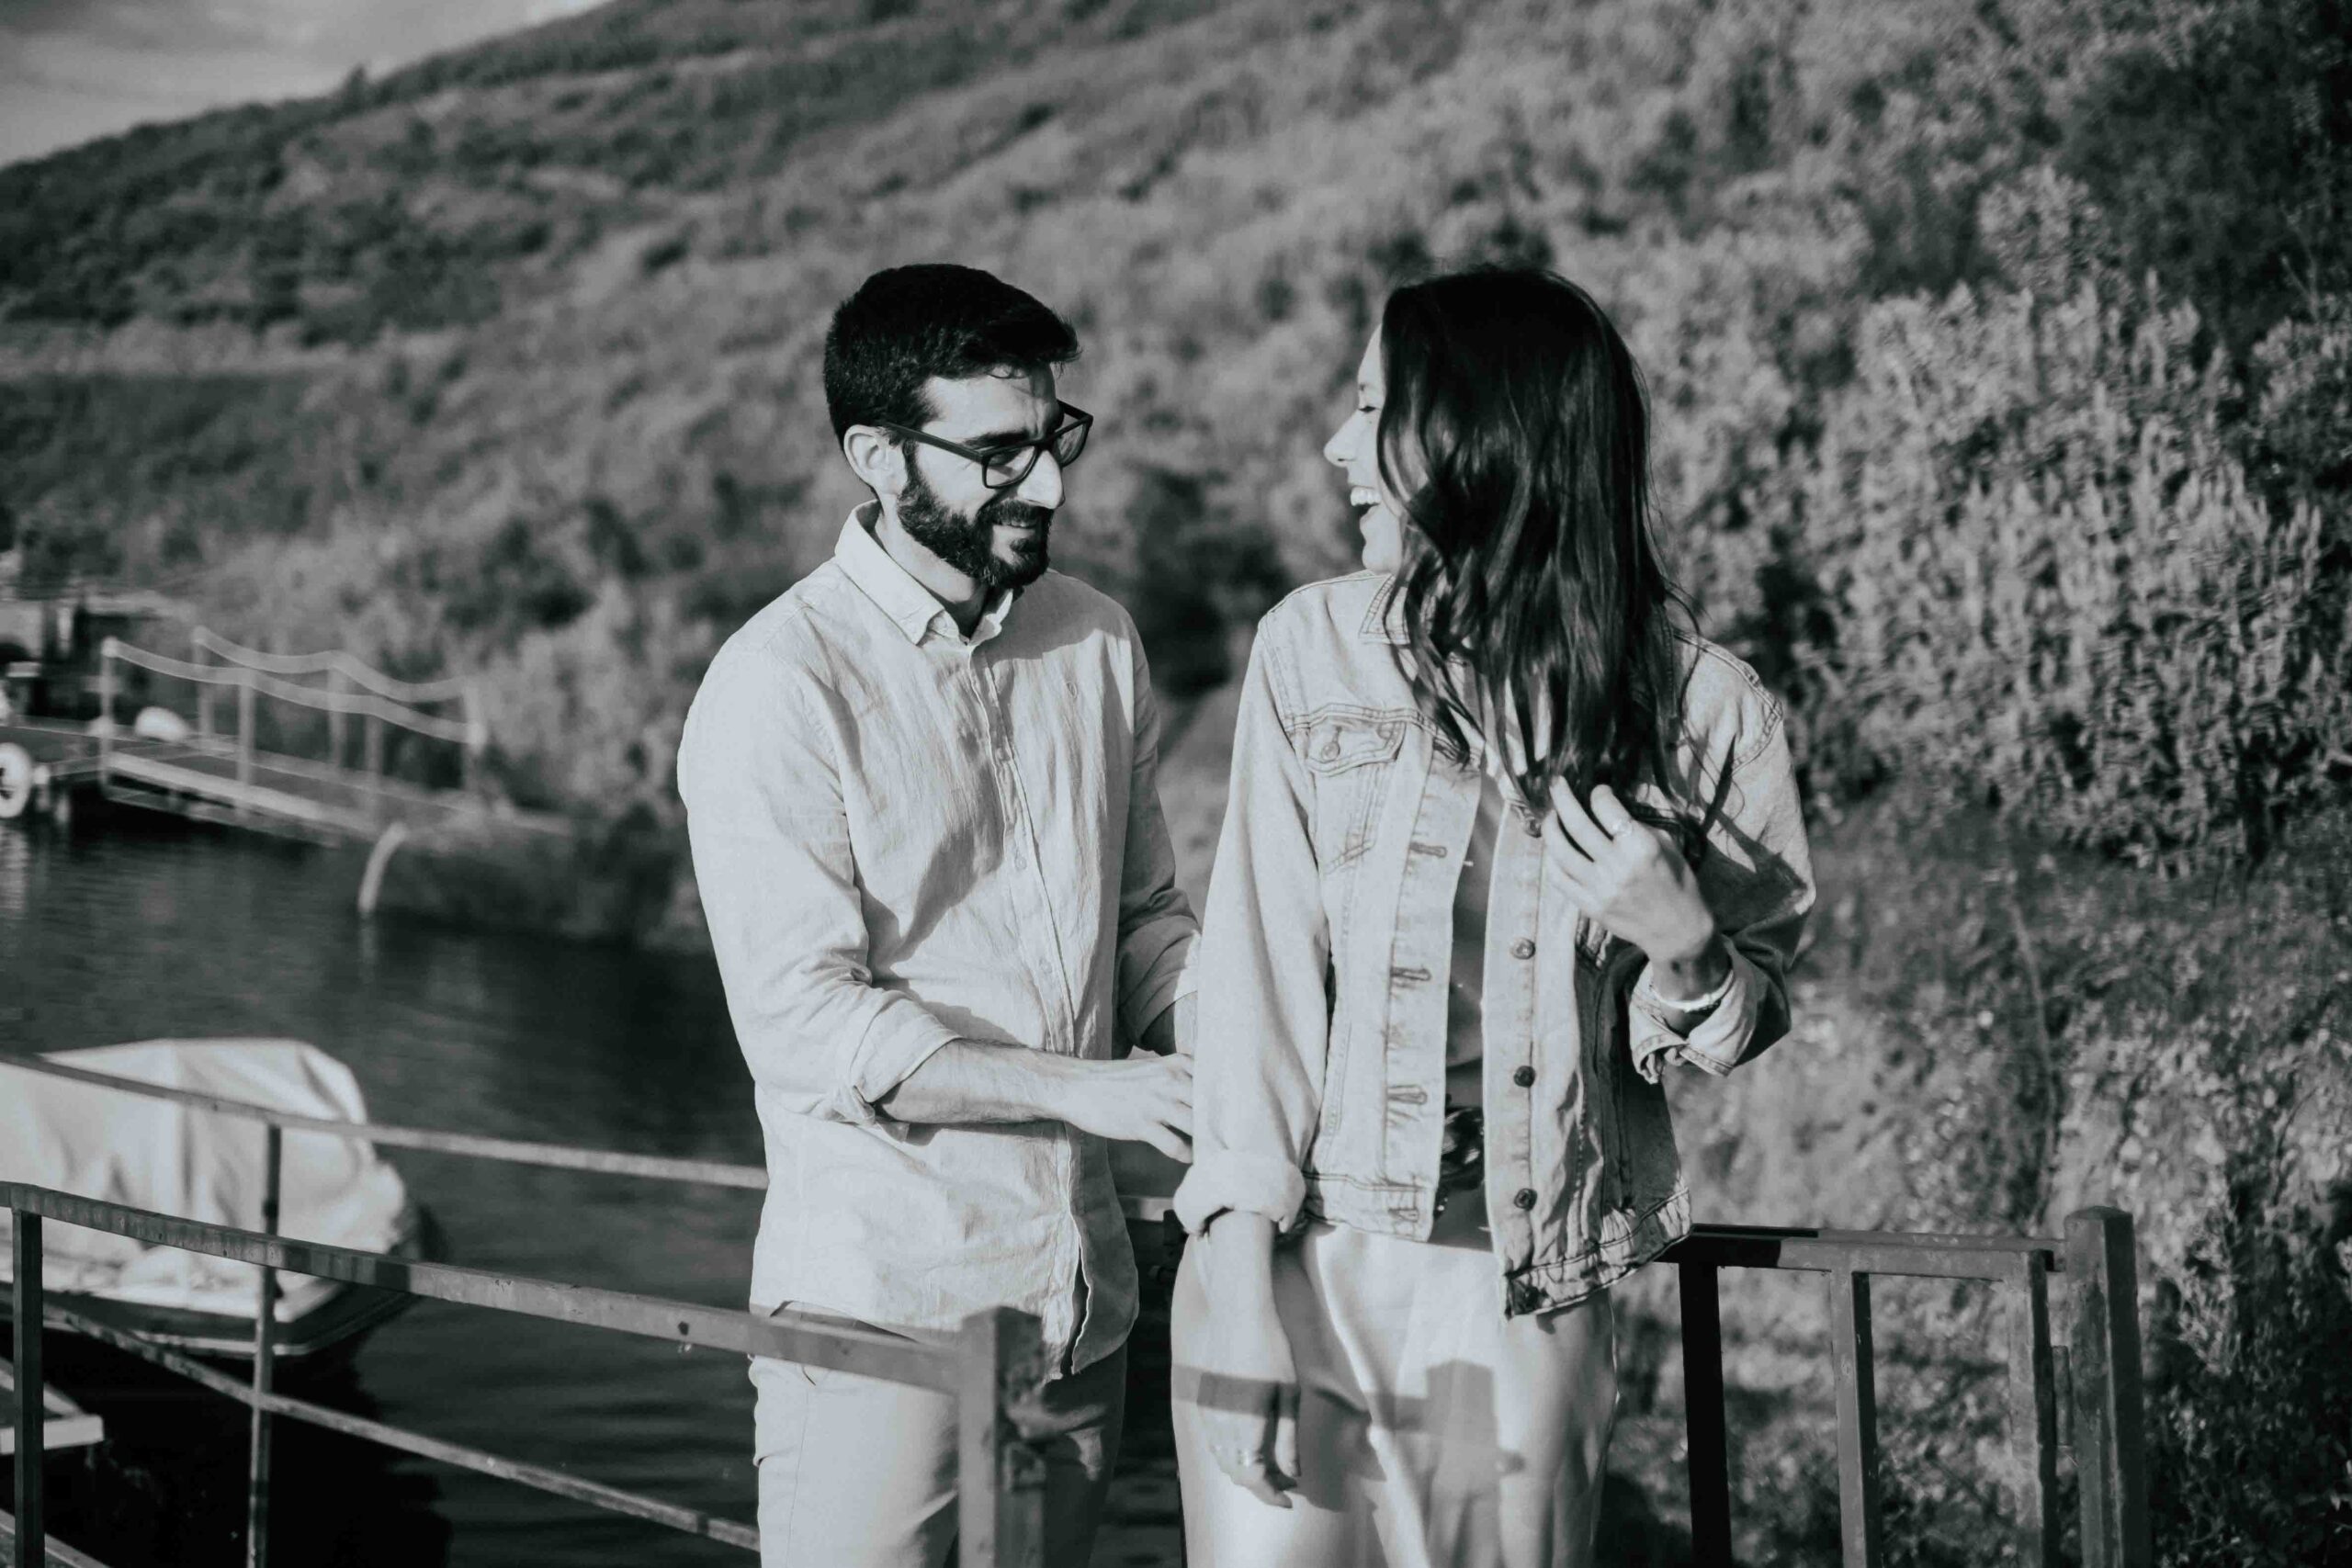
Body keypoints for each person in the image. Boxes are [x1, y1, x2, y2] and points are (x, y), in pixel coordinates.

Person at [1169, 266, 1815, 1567]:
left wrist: (1684, 942)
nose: (1337, 447)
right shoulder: (1310, 652)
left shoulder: (1706, 712)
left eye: (1373, 411)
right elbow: (1251, 989)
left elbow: (1743, 1015)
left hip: (1520, 1300)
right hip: (1297, 1273)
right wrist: (1238, 1291)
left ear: (1482, 438)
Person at [676, 263, 1199, 1568]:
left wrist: (1236, 1041)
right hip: (883, 1321)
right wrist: (1097, 1094)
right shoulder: (777, 684)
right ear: (878, 456)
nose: (1049, 486)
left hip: (1085, 1319)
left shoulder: (1099, 640)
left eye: (1056, 439)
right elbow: (810, 1027)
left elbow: (1145, 921)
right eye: (1000, 453)